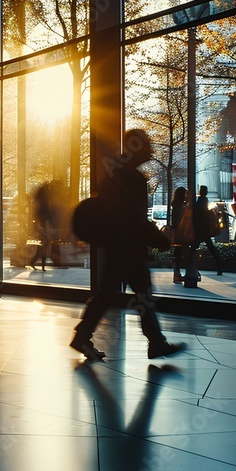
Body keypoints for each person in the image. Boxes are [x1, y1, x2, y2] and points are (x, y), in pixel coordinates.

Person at [70, 129, 186, 361]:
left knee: (110, 294)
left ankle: (84, 336)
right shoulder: (133, 179)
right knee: (141, 294)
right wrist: (159, 239)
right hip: (129, 249)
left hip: (118, 246)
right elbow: (133, 218)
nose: (150, 150)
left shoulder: (115, 175)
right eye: (146, 145)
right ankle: (155, 343)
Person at [192, 185, 224, 276]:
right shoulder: (204, 201)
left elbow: (198, 215)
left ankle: (192, 267)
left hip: (200, 230)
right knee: (211, 249)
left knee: (193, 250)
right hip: (204, 230)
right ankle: (219, 267)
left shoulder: (199, 202)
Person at [169, 187, 189, 284]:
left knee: (178, 253)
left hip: (177, 231)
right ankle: (177, 274)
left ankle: (176, 273)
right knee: (180, 253)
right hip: (181, 231)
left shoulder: (176, 204)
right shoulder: (181, 206)